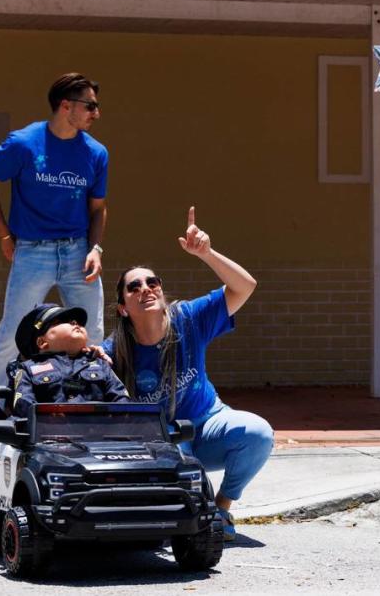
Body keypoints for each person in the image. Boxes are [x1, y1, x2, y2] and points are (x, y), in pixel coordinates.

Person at [103, 207, 274, 542]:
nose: (146, 289)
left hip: (208, 424)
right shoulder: (115, 350)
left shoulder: (188, 318)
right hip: (161, 440)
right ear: (123, 307)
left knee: (259, 433)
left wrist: (207, 253)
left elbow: (245, 287)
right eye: (134, 286)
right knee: (180, 451)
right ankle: (189, 511)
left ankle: (220, 507)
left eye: (152, 282)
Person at [0, 73, 108, 415]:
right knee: (12, 333)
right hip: (33, 250)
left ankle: (98, 407)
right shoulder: (23, 142)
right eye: (90, 106)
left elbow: (98, 208)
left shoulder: (96, 152)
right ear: (66, 106)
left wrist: (95, 249)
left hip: (79, 251)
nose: (96, 113)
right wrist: (4, 234)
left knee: (92, 332)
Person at [9, 304, 129, 417]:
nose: (74, 322)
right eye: (62, 321)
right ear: (42, 342)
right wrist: (45, 417)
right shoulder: (28, 369)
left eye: (77, 322)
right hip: (49, 435)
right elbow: (23, 403)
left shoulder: (99, 364)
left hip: (97, 434)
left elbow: (121, 399)